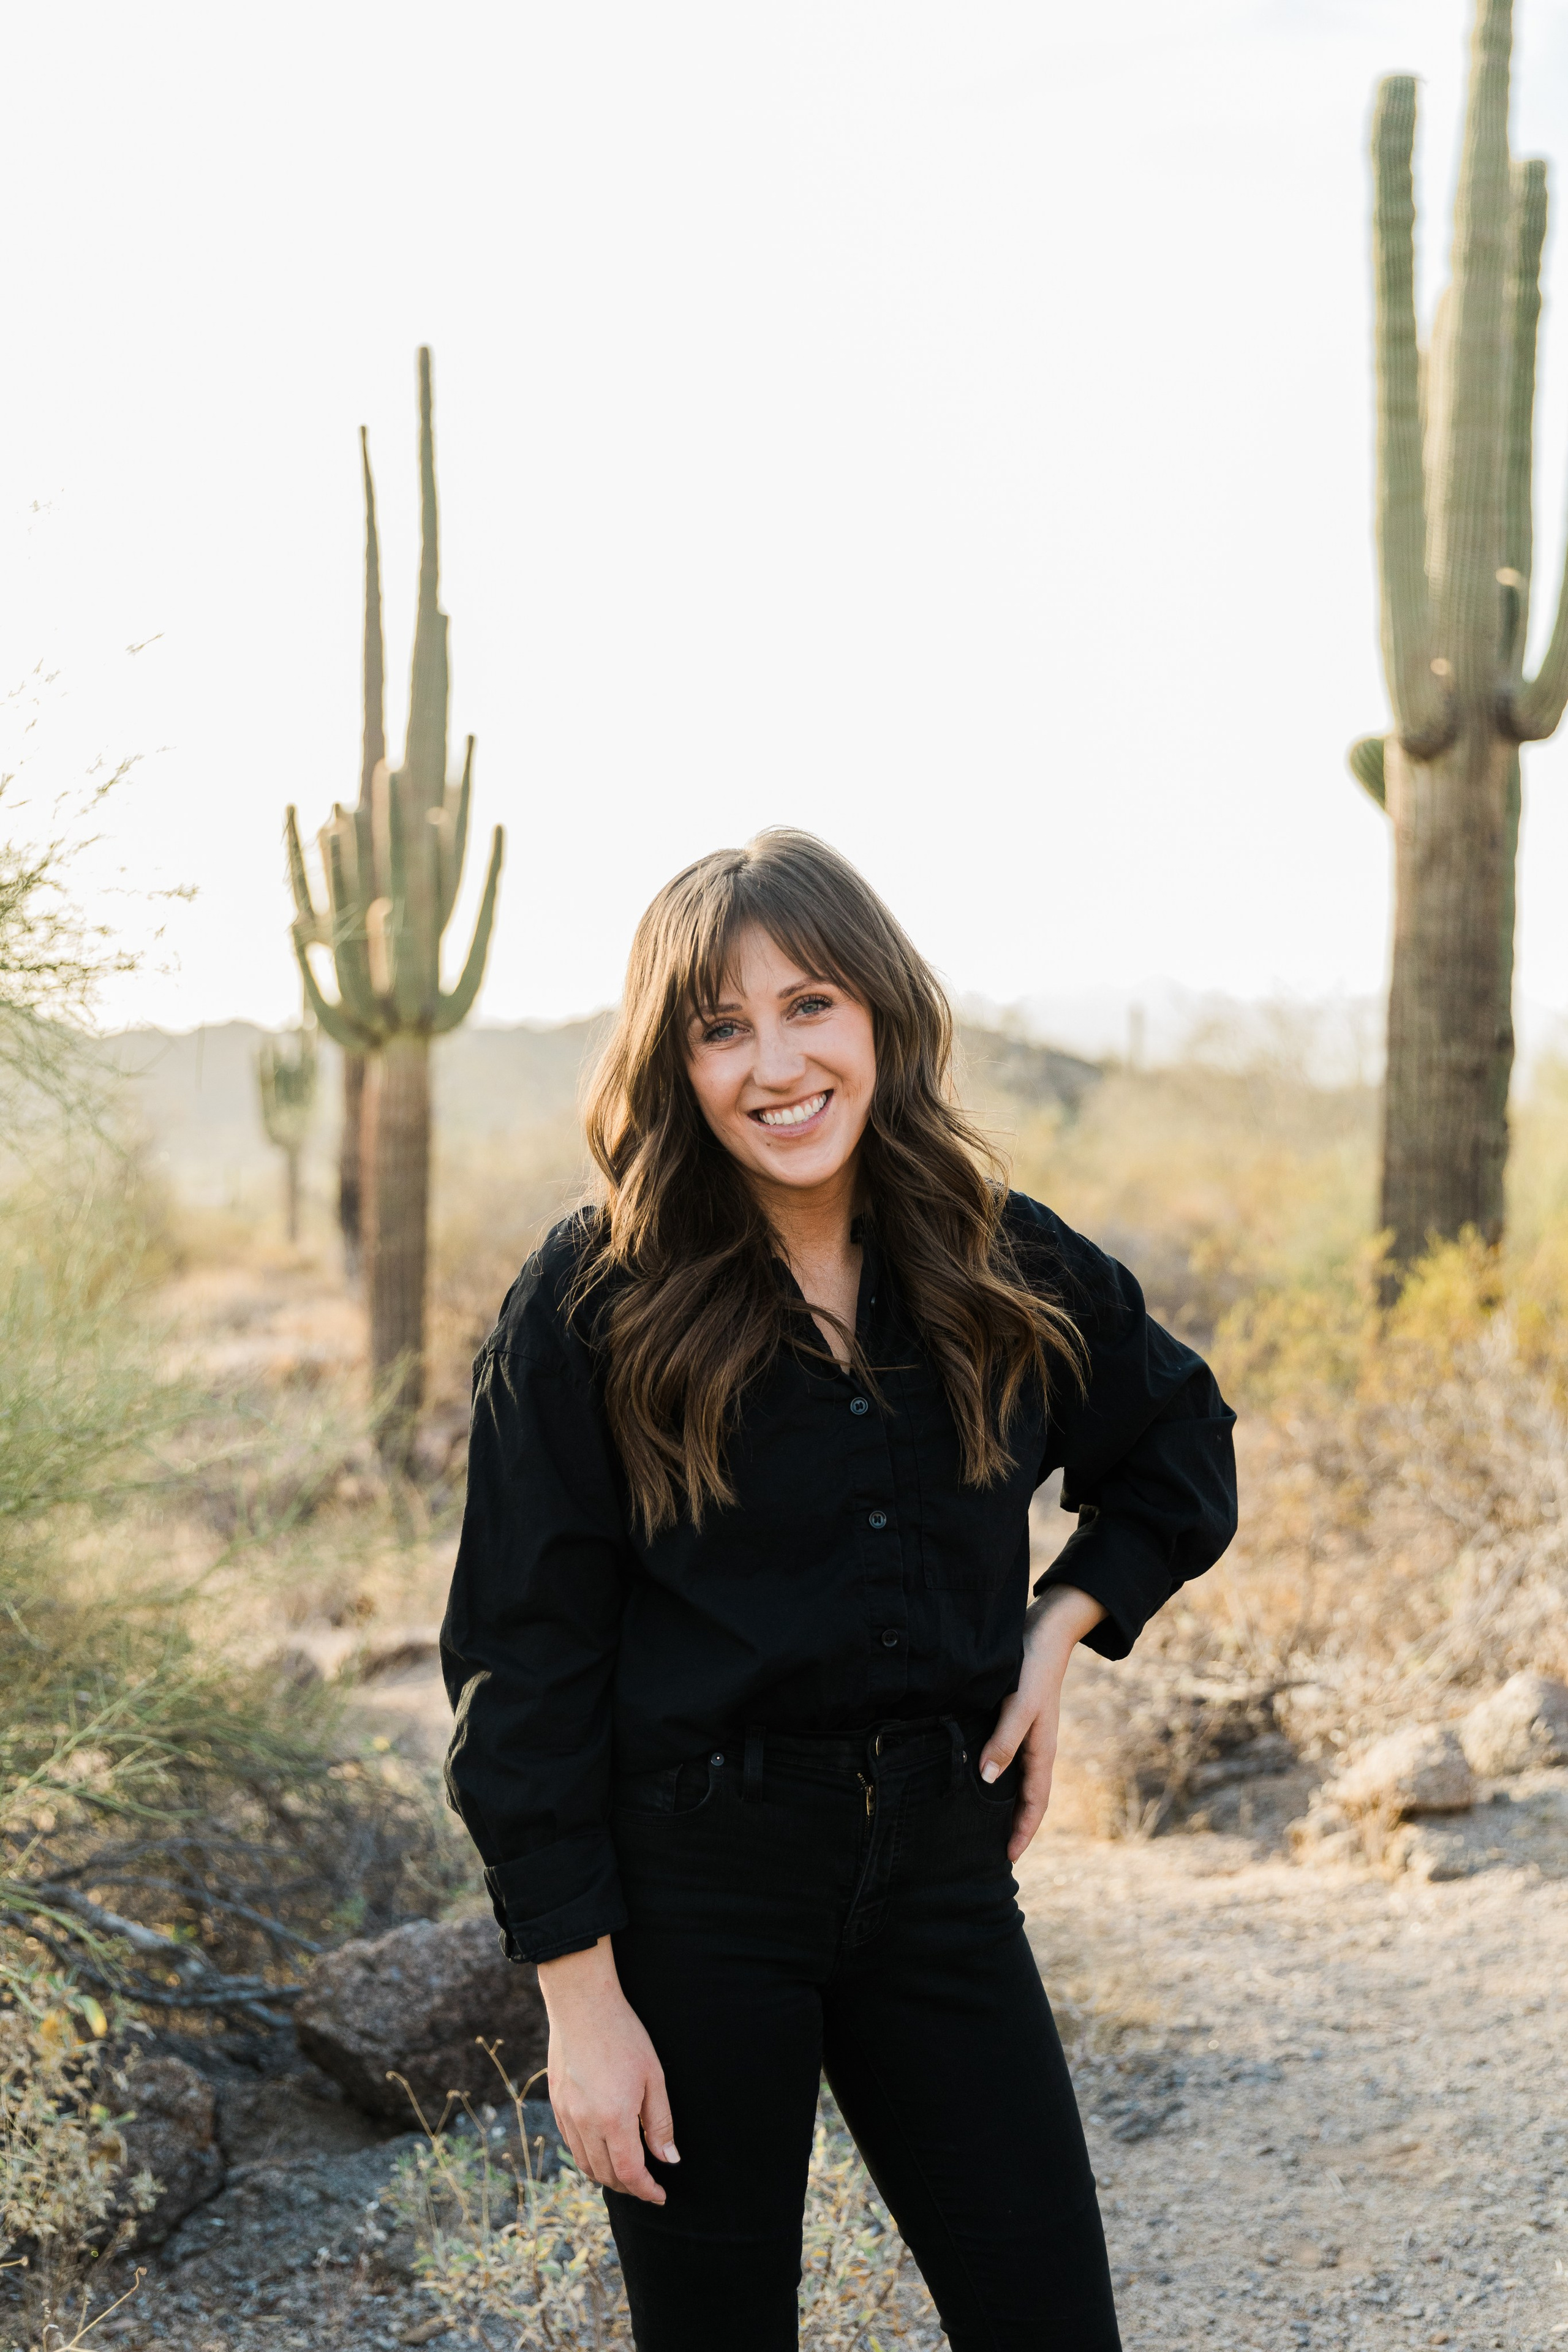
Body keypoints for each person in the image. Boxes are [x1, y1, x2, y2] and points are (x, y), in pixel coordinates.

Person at [442, 829, 1237, 2351]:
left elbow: (1176, 1443)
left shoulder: (996, 1255)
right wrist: (580, 2004)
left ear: (877, 1015)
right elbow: (518, 1662)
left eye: (809, 1005)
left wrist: (1057, 1628)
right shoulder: (590, 1303)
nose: (774, 1063)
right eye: (720, 1028)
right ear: (675, 1068)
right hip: (696, 1897)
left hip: (942, 1876)